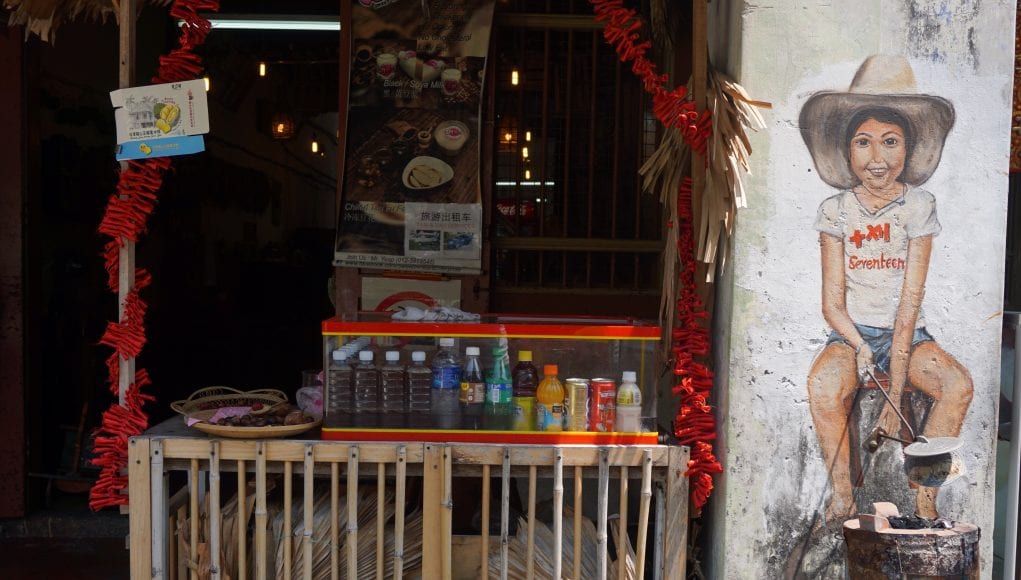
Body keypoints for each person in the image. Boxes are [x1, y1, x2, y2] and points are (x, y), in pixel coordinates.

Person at [799, 55, 973, 521]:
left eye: (890, 142)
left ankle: (925, 501)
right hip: (851, 336)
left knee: (957, 384)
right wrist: (858, 346)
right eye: (863, 142)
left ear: (908, 147)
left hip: (907, 337)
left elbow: (910, 301)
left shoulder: (919, 206)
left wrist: (895, 391)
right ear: (847, 149)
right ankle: (843, 496)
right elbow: (832, 304)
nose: (877, 159)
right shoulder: (836, 210)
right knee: (821, 385)